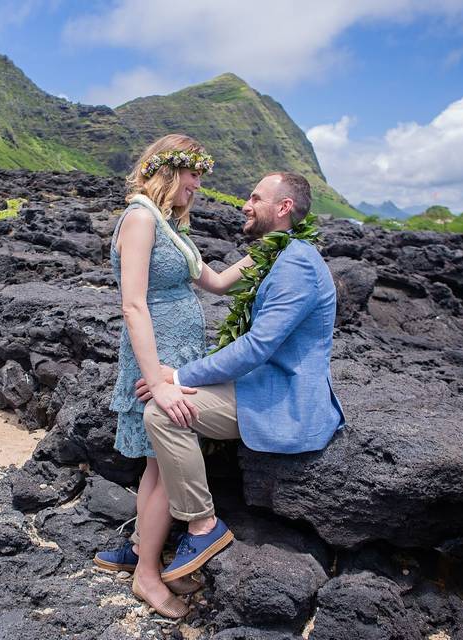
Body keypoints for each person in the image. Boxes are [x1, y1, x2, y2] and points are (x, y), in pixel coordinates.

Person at [134, 171, 346, 583]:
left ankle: (202, 525)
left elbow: (255, 348)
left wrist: (177, 375)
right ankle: (146, 541)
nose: (245, 205)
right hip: (261, 384)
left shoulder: (297, 263)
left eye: (255, 197)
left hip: (283, 398)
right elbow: (216, 283)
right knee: (163, 402)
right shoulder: (280, 253)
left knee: (163, 412)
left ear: (283, 208)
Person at [92, 134, 255, 618]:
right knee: (161, 466)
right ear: (169, 170)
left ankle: (144, 555)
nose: (198, 185)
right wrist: (158, 382)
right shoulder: (141, 219)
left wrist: (273, 250)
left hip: (180, 355)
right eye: (194, 174)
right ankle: (146, 576)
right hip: (155, 358)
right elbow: (132, 304)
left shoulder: (170, 225)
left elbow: (219, 282)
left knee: (157, 466)